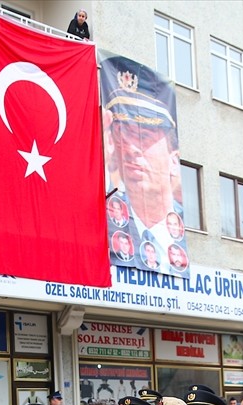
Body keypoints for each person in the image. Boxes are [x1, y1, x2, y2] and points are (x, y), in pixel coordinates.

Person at [102, 57, 184, 269]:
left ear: (173, 161)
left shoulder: (177, 230)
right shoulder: (113, 219)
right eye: (123, 135)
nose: (131, 149)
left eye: (145, 137)